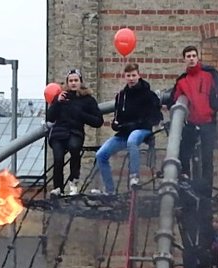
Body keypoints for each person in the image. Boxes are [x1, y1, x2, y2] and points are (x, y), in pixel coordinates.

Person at [169, 45, 218, 194]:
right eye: (188, 56)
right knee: (184, 153)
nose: (191, 59)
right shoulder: (182, 81)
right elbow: (174, 100)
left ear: (198, 57)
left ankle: (206, 193)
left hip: (208, 123)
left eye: (193, 56)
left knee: (207, 158)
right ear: (184, 59)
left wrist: (212, 109)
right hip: (191, 123)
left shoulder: (209, 75)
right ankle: (186, 185)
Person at [94, 63, 162, 194]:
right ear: (125, 77)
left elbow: (155, 116)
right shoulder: (121, 96)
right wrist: (115, 124)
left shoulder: (148, 94)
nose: (131, 78)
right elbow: (117, 117)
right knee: (101, 154)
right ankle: (109, 191)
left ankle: (134, 177)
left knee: (132, 140)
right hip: (124, 132)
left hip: (142, 130)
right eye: (128, 76)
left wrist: (139, 124)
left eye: (133, 75)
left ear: (138, 75)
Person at [46, 68, 103, 197]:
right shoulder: (61, 97)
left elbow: (98, 121)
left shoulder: (87, 99)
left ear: (80, 82)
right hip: (59, 133)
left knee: (74, 148)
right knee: (58, 158)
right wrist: (57, 103)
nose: (73, 83)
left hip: (75, 132)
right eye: (70, 80)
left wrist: (82, 115)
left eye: (76, 80)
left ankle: (73, 182)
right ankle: (58, 187)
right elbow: (50, 117)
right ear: (67, 82)